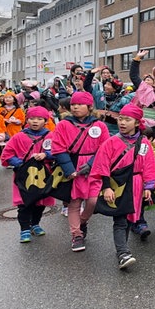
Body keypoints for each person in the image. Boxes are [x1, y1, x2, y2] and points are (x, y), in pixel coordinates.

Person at [90, 104, 155, 269]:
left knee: (129, 219)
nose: (122, 123)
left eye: (127, 120)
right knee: (120, 219)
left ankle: (122, 250)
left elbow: (149, 165)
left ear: (136, 123)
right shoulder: (110, 142)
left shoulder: (144, 143)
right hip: (117, 185)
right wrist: (106, 187)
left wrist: (149, 186)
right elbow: (102, 166)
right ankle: (123, 253)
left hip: (136, 185)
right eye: (121, 119)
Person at [51, 91, 110, 252]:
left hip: (94, 167)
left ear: (89, 107)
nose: (75, 107)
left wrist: (91, 164)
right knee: (74, 202)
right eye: (73, 105)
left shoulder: (99, 125)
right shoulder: (63, 124)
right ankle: (76, 235)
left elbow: (104, 148)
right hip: (72, 165)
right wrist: (69, 169)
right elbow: (58, 147)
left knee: (92, 201)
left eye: (79, 104)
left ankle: (83, 221)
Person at [0, 106, 56, 242]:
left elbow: (57, 151)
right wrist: (19, 163)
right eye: (32, 118)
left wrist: (46, 154)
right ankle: (24, 228)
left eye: (39, 119)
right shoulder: (19, 136)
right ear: (27, 120)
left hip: (43, 174)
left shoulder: (50, 136)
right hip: (24, 175)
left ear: (46, 121)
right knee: (24, 204)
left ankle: (35, 224)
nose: (35, 122)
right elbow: (7, 154)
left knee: (40, 202)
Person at [84, 66, 133, 135]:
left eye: (108, 85)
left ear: (114, 89)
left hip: (115, 132)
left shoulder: (122, 100)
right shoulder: (100, 95)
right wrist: (91, 73)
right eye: (106, 84)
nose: (105, 86)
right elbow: (87, 87)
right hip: (99, 130)